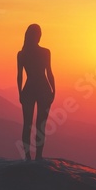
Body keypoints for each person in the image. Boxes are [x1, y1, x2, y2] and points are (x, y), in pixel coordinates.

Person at [17, 24, 55, 161]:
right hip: (42, 89)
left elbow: (20, 76)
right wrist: (53, 90)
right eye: (37, 34)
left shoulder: (23, 54)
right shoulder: (44, 52)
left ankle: (32, 156)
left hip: (31, 90)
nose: (39, 37)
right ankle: (34, 156)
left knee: (31, 124)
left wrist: (20, 93)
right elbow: (48, 72)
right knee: (38, 125)